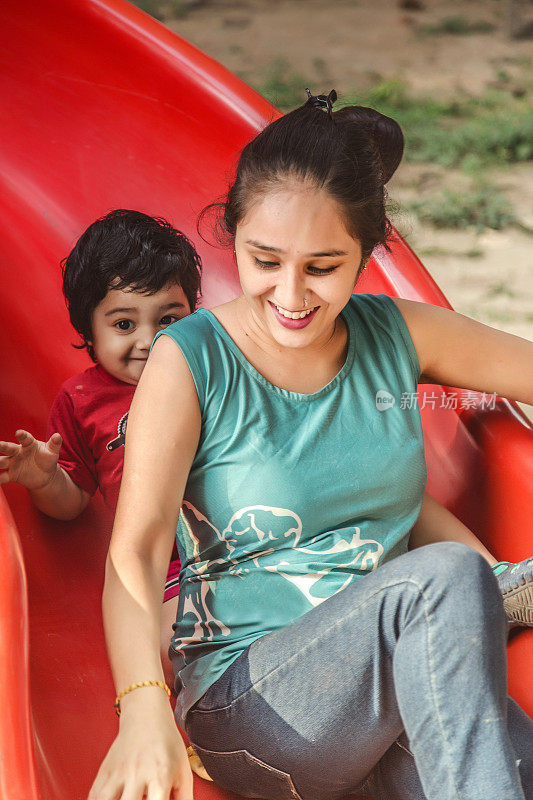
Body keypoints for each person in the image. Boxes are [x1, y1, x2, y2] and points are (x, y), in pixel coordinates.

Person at [88, 93, 533, 800]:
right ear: (231, 234)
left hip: (399, 685)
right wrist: (141, 708)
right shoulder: (191, 360)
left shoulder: (396, 333)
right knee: (445, 576)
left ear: (366, 253)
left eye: (322, 267)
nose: (289, 294)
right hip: (253, 709)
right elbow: (136, 551)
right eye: (264, 260)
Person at [0, 209, 202, 683]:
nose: (151, 340)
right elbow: (73, 504)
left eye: (169, 318)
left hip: (247, 538)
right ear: (90, 333)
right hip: (166, 565)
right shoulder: (82, 400)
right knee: (170, 647)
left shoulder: (208, 368)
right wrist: (45, 479)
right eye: (124, 325)